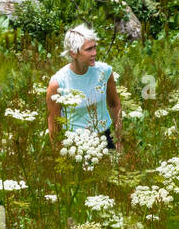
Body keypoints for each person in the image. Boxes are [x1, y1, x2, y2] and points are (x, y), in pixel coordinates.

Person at [47, 23, 122, 154]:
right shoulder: (58, 84)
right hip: (76, 144)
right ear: (73, 53)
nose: (94, 53)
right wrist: (58, 153)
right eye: (88, 49)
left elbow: (115, 105)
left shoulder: (104, 72)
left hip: (105, 138)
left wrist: (119, 139)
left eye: (95, 47)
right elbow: (54, 124)